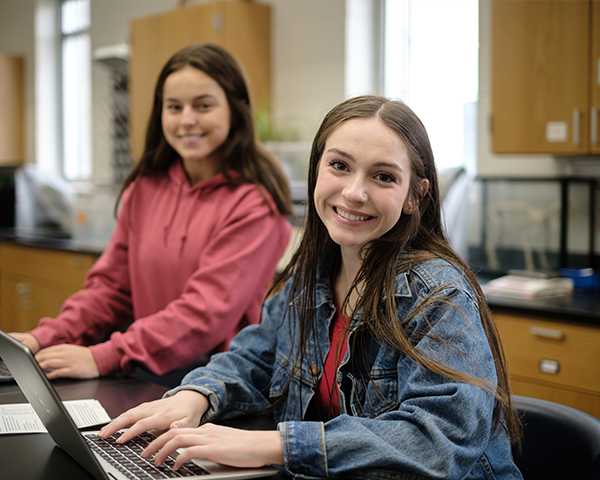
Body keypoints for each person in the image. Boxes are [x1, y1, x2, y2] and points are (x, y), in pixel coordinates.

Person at [99, 95, 523, 479]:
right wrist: (194, 397)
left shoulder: (440, 295)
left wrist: (277, 445)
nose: (354, 192)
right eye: (339, 166)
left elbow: (439, 442)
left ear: (415, 195)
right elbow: (256, 357)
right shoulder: (314, 273)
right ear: (317, 170)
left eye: (383, 177)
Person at [9, 44, 292, 385]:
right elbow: (112, 288)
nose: (187, 120)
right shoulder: (146, 187)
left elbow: (204, 315)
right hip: (148, 367)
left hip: (218, 382)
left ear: (236, 109)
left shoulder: (255, 204)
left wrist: (105, 355)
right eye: (174, 107)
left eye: (203, 105)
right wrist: (46, 336)